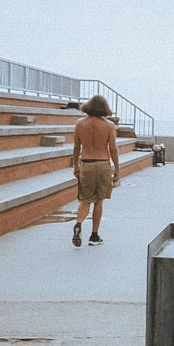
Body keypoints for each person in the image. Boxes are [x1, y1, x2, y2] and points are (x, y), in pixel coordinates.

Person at [71, 94, 120, 247]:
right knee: (99, 201)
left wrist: (76, 166)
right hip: (102, 164)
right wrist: (117, 168)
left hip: (86, 163)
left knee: (85, 199)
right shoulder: (108, 126)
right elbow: (113, 149)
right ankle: (94, 235)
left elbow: (76, 147)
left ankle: (79, 223)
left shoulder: (80, 124)